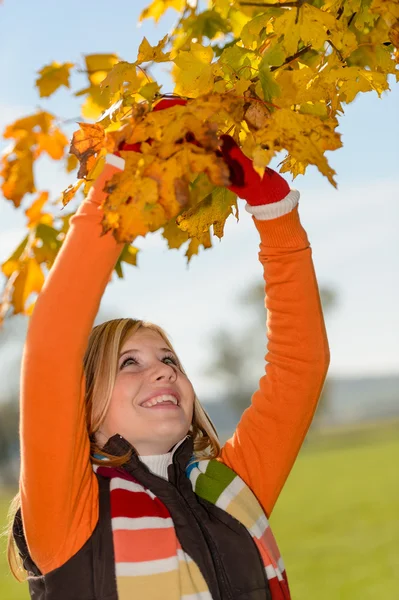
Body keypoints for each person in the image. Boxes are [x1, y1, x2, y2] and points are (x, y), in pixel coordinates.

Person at [6, 97, 330, 600]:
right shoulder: (67, 513)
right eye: (129, 363)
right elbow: (52, 349)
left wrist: (274, 211)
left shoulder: (228, 487)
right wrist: (120, 188)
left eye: (169, 360)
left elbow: (299, 364)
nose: (161, 372)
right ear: (84, 403)